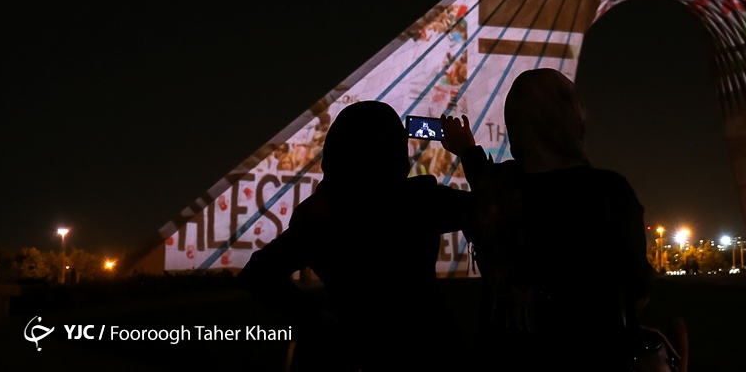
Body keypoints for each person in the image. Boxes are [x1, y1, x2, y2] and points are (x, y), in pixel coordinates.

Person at [441, 68, 660, 371]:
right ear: (572, 118)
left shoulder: (499, 192)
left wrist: (466, 149)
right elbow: (639, 286)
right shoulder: (608, 192)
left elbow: (485, 179)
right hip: (592, 354)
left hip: (506, 355)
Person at [239, 100, 473, 371]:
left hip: (356, 354)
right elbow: (495, 205)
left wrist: (317, 314)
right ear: (395, 151)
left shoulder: (321, 218)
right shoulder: (419, 201)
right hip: (431, 355)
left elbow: (257, 274)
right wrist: (467, 151)